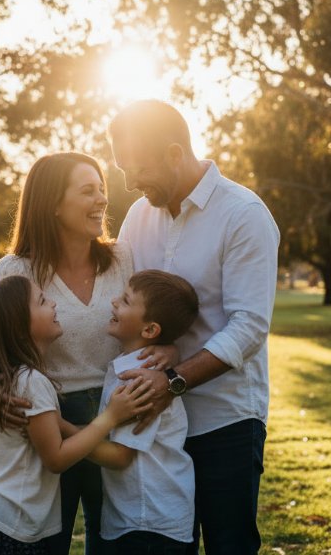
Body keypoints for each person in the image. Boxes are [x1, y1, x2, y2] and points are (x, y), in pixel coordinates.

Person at [108, 100, 280, 555]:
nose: (129, 183)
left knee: (229, 545)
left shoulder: (244, 214)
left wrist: (173, 378)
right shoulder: (137, 218)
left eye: (136, 168)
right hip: (156, 426)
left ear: (173, 154)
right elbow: (124, 306)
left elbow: (249, 326)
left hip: (225, 419)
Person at [0, 152, 174, 555]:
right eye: (88, 190)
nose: (102, 200)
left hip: (119, 411)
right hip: (45, 420)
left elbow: (153, 316)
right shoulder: (13, 271)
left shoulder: (123, 258)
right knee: (47, 542)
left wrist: (169, 347)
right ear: (53, 203)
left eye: (102, 189)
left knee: (111, 540)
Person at [0, 275, 154, 555]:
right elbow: (56, 458)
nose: (54, 303)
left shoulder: (15, 379)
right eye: (42, 301)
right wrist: (111, 417)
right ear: (19, 327)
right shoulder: (31, 381)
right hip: (10, 529)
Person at [94, 269, 199, 553]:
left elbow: (119, 457)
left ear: (150, 330)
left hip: (149, 525)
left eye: (126, 301)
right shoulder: (127, 366)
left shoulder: (139, 379)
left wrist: (59, 434)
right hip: (139, 519)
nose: (115, 302)